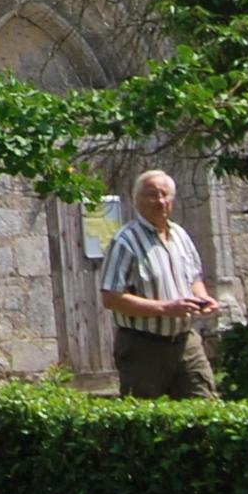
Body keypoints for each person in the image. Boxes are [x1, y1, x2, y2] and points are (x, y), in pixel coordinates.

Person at [97, 167, 220, 397]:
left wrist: (203, 298)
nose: (160, 201)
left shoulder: (180, 236)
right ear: (137, 200)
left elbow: (194, 278)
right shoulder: (125, 241)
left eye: (165, 195)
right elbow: (111, 297)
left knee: (204, 408)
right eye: (152, 195)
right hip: (143, 346)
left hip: (186, 342)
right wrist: (165, 308)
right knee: (146, 419)